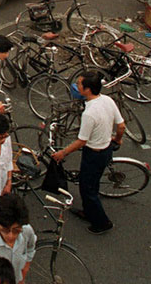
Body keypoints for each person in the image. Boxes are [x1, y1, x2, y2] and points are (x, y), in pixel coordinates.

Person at [51, 70, 125, 234]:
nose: (76, 86)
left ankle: (102, 223)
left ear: (87, 89)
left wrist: (63, 153)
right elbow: (121, 126)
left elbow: (81, 141)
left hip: (94, 154)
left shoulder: (89, 114)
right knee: (92, 182)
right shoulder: (107, 100)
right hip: (106, 149)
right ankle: (88, 211)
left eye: (79, 84)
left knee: (87, 189)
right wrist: (118, 140)